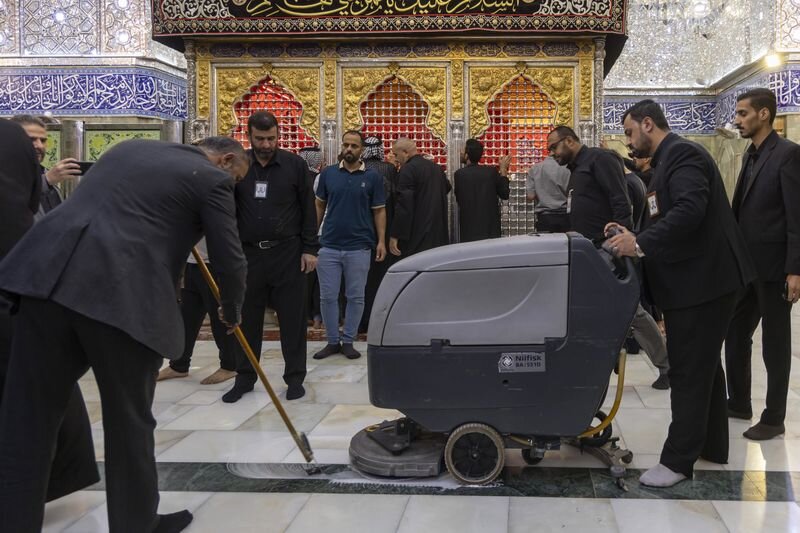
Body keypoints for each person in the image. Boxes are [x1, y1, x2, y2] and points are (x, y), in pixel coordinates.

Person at [0, 136, 249, 532]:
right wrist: (231, 310)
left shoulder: (128, 148)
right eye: (236, 178)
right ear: (226, 160)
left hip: (46, 280)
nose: (233, 184)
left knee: (29, 418)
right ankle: (136, 524)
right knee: (128, 420)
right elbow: (229, 258)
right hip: (122, 295)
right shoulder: (212, 180)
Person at [606, 99, 755, 488]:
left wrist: (639, 243)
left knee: (688, 368)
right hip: (701, 281)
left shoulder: (683, 155)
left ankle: (677, 461)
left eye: (629, 132)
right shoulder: (666, 161)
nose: (628, 141)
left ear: (648, 124)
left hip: (704, 282)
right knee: (705, 365)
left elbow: (689, 211)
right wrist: (631, 233)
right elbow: (664, 215)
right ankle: (712, 446)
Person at [224, 111, 319, 403]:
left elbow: (308, 208)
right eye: (260, 139)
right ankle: (245, 377)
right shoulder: (239, 164)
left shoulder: (294, 165)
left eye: (271, 138)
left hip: (288, 253)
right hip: (248, 255)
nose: (266, 144)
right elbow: (228, 209)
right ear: (249, 136)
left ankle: (295, 378)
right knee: (247, 319)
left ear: (279, 136)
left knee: (292, 320)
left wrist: (310, 249)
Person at [724, 88, 800, 440]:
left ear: (764, 114)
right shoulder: (750, 155)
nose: (737, 120)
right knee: (736, 333)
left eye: (743, 113)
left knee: (775, 343)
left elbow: (796, 216)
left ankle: (773, 418)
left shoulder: (788, 155)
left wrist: (795, 269)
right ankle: (739, 402)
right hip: (747, 267)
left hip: (774, 267)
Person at [312, 131, 386, 360]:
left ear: (362, 149)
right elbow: (319, 205)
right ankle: (332, 341)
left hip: (359, 246)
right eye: (346, 145)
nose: (349, 149)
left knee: (355, 296)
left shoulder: (372, 177)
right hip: (329, 245)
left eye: (354, 146)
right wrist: (311, 239)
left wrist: (381, 241)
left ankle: (349, 340)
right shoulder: (328, 174)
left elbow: (379, 211)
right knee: (327, 296)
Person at [156, 237, 238, 385]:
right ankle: (179, 365)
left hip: (214, 264)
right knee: (186, 318)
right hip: (191, 263)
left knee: (219, 318)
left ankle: (229, 366)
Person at [547, 126, 632, 242]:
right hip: (585, 244)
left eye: (554, 147)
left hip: (604, 244)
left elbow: (620, 201)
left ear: (569, 141)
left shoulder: (600, 158)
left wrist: (620, 239)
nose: (551, 154)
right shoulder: (575, 168)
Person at [389, 138, 451, 258]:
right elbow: (447, 187)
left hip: (418, 234)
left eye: (396, 155)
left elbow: (404, 205)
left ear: (405, 153)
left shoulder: (408, 169)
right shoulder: (436, 168)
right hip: (438, 233)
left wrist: (396, 234)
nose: (395, 159)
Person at [360, 136, 397, 334]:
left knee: (360, 278)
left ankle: (361, 320)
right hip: (384, 229)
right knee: (381, 276)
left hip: (362, 229)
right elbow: (393, 200)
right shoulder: (389, 169)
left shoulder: (360, 168)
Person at [10, 114, 81, 216]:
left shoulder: (44, 175)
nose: (39, 146)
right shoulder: (5, 174)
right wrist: (46, 180)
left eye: (42, 140)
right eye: (31, 139)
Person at [453, 139, 510, 242]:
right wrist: (503, 170)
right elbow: (505, 194)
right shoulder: (491, 172)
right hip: (490, 230)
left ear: (467, 155)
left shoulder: (459, 175)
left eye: (462, 151)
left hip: (469, 230)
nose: (460, 153)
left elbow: (459, 199)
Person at [526, 154, 571, 232]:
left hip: (545, 217)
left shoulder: (535, 168)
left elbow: (530, 196)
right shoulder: (567, 168)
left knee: (546, 240)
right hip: (565, 216)